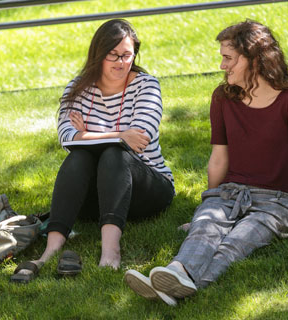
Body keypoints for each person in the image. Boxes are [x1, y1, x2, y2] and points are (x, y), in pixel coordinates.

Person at [124, 20, 288, 306]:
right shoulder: (223, 97)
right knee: (204, 228)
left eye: (229, 58)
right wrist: (205, 207)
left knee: (235, 242)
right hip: (227, 193)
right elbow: (219, 158)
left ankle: (175, 287)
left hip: (276, 203)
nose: (222, 65)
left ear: (255, 60)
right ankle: (176, 272)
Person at [11, 19, 175, 283]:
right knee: (79, 157)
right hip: (96, 196)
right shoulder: (78, 88)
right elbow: (68, 138)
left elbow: (139, 139)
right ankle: (51, 249)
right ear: (98, 54)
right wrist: (119, 134)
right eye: (113, 55)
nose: (121, 62)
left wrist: (87, 134)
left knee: (115, 155)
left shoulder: (147, 86)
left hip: (147, 190)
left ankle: (110, 252)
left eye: (127, 55)